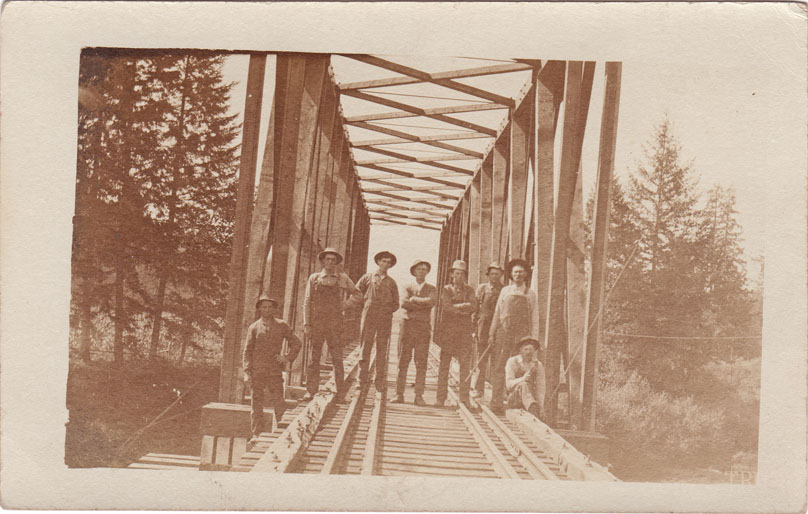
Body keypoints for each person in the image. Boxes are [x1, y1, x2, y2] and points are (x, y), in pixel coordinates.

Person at [302, 247, 362, 402]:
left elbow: (358, 294)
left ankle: (340, 393)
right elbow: (307, 301)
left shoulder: (342, 278)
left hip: (334, 323)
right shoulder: (315, 278)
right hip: (317, 322)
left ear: (336, 263)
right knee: (313, 357)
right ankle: (311, 391)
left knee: (337, 357)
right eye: (327, 259)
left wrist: (345, 305)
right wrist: (307, 323)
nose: (330, 262)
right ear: (323, 261)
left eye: (333, 260)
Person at [242, 295, 302, 444]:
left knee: (278, 401)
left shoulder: (282, 325)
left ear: (274, 309)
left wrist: (287, 357)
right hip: (257, 371)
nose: (267, 310)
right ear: (260, 309)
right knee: (256, 403)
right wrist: (247, 372)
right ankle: (257, 433)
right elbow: (247, 351)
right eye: (264, 307)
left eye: (270, 307)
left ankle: (282, 433)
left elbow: (296, 342)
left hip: (274, 370)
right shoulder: (254, 327)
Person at [489, 258, 540, 414]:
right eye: (515, 272)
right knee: (499, 366)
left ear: (525, 275)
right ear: (511, 274)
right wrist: (492, 333)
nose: (518, 275)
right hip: (504, 334)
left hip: (522, 337)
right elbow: (497, 313)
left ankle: (516, 402)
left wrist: (534, 340)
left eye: (521, 272)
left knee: (520, 367)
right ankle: (496, 401)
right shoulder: (505, 291)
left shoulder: (530, 294)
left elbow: (535, 317)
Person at [436, 260, 478, 409]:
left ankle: (464, 398)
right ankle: (440, 398)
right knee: (444, 365)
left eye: (461, 274)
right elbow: (446, 307)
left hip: (464, 333)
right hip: (449, 332)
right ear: (452, 274)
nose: (459, 276)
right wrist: (463, 307)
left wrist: (457, 307)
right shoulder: (447, 289)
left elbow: (474, 306)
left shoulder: (470, 290)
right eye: (456, 273)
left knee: (465, 366)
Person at [394, 260, 437, 406]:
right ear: (414, 271)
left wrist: (414, 300)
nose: (422, 271)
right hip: (408, 327)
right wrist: (422, 305)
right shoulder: (407, 286)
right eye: (419, 269)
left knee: (421, 362)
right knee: (403, 361)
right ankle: (399, 394)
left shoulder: (431, 288)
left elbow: (432, 302)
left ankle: (419, 396)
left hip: (423, 329)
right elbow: (404, 303)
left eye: (425, 269)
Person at [356, 250, 399, 393]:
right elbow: (356, 294)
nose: (386, 264)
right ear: (378, 262)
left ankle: (378, 381)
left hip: (384, 319)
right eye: (383, 261)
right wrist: (365, 306)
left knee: (382, 349)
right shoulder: (367, 278)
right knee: (365, 347)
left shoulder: (391, 282)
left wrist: (385, 310)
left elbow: (396, 303)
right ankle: (361, 379)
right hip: (368, 316)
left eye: (388, 262)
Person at [472, 262, 504, 398]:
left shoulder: (504, 289)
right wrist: (473, 329)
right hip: (483, 327)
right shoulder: (482, 289)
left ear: (501, 275)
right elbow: (475, 310)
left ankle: (497, 393)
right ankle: (479, 389)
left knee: (498, 360)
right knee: (481, 359)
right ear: (488, 275)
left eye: (497, 274)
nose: (494, 276)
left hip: (498, 328)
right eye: (492, 274)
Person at [505, 336, 546, 419]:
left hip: (530, 399)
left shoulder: (538, 365)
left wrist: (541, 407)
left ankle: (534, 409)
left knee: (528, 387)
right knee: (523, 384)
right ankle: (533, 411)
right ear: (520, 350)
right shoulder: (512, 361)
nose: (528, 352)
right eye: (526, 349)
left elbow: (540, 387)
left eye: (531, 350)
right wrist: (522, 379)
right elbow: (508, 384)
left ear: (534, 351)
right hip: (514, 399)